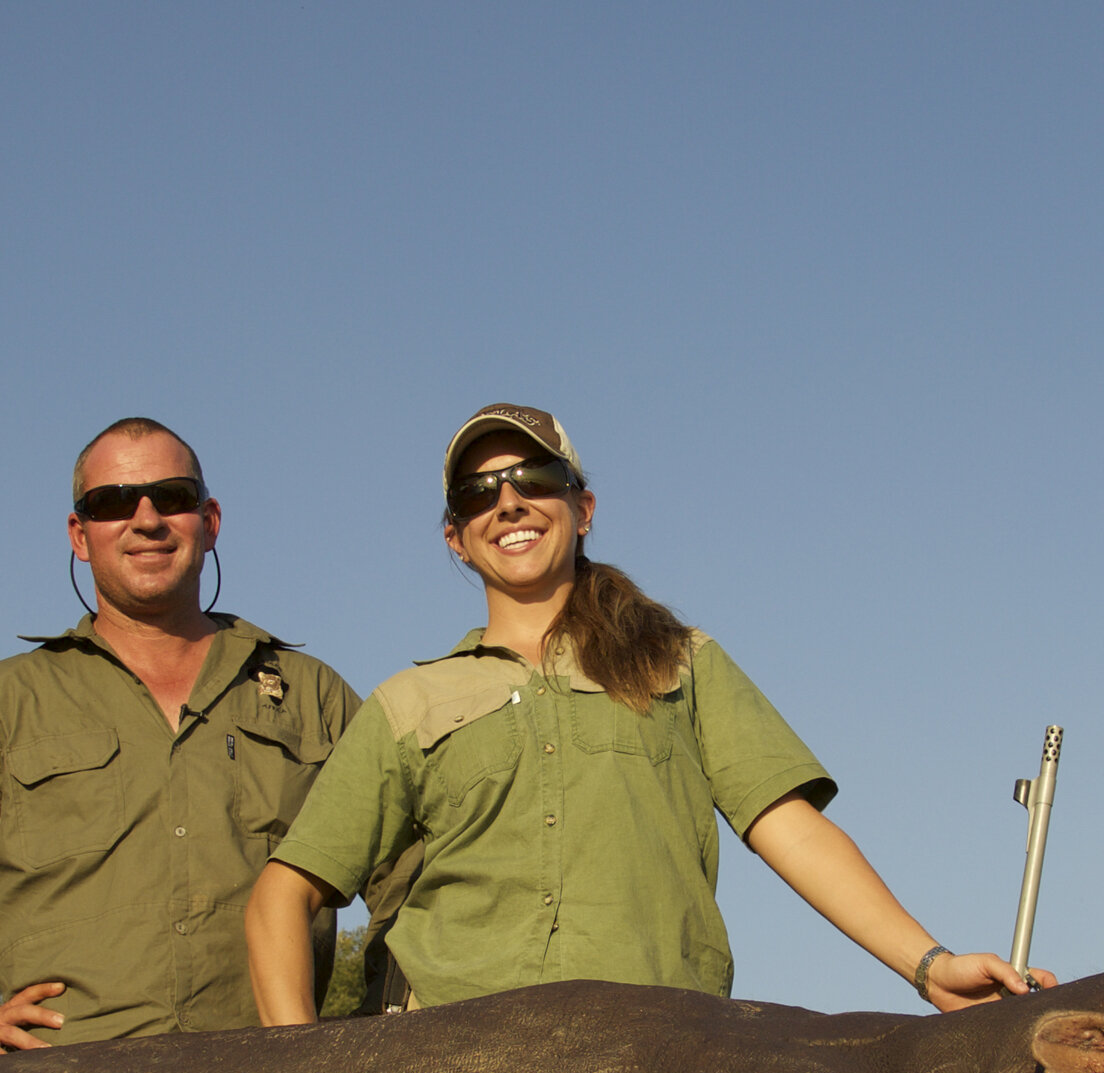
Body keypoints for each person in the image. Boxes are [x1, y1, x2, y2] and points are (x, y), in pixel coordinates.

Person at [242, 403, 1045, 1023]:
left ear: (583, 508)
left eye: (534, 480)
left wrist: (928, 965)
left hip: (663, 1058)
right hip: (452, 1070)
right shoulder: (406, 705)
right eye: (479, 493)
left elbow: (790, 829)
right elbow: (284, 895)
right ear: (455, 537)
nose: (509, 503)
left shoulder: (680, 661)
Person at [0, 418, 361, 1059]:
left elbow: (415, 877)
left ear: (209, 522)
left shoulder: (310, 694)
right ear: (80, 534)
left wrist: (379, 1029)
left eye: (173, 497)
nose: (146, 519)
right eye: (113, 503)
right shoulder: (0, 705)